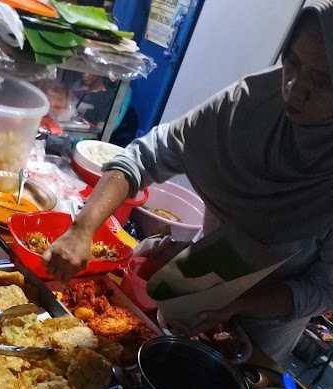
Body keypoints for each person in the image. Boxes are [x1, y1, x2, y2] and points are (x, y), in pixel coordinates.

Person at [44, 1, 333, 364]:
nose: (294, 87)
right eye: (292, 62)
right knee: (142, 359)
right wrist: (82, 228)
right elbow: (142, 157)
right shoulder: (246, 106)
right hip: (202, 269)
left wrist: (236, 302)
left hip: (266, 322)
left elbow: (323, 289)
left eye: (322, 81)